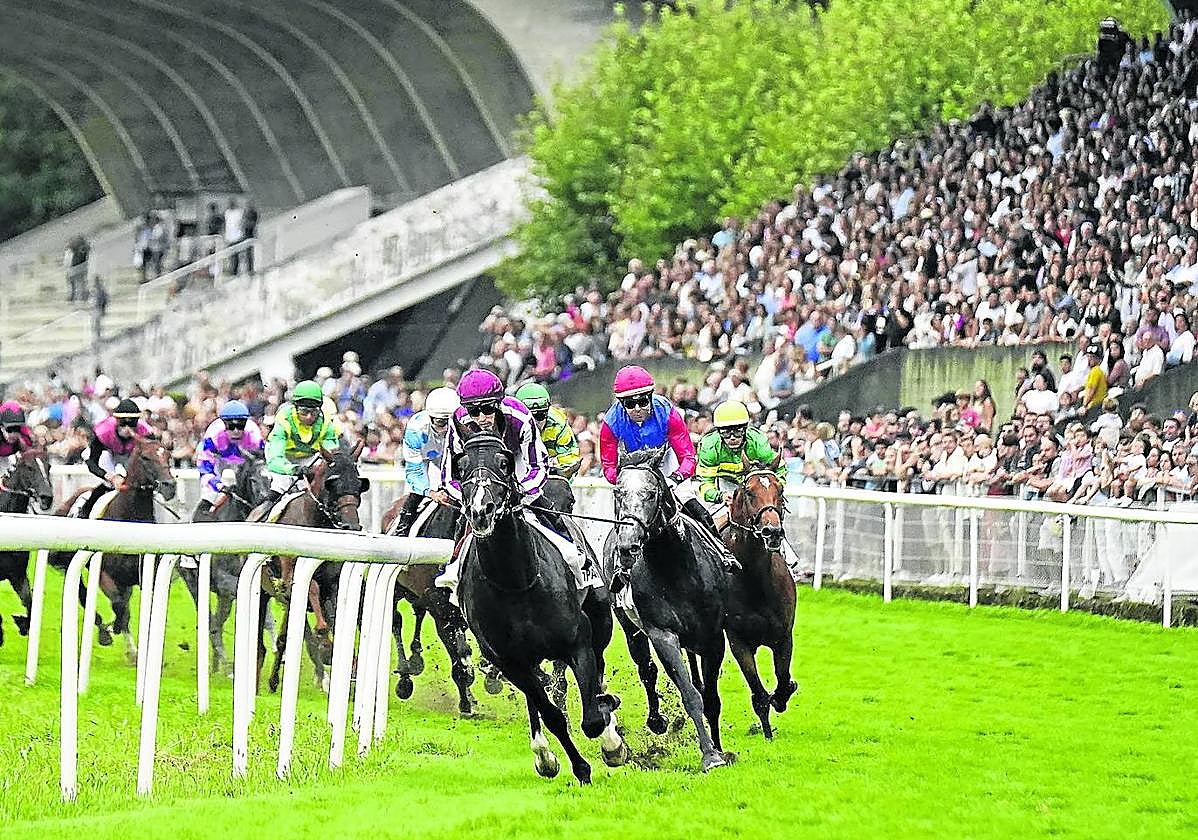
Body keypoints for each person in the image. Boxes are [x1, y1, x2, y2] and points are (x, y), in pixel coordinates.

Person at [436, 369, 591, 596]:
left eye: (488, 409)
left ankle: (576, 559)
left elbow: (538, 466)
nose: (481, 418)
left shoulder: (519, 416)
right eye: (474, 411)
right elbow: (449, 476)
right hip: (478, 473)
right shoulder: (458, 421)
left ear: (499, 404)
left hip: (515, 461)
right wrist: (470, 498)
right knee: (465, 518)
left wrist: (520, 493)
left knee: (546, 510)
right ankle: (451, 567)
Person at [598, 365, 730, 552]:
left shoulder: (667, 413)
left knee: (698, 511)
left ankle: (721, 552)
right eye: (629, 404)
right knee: (624, 516)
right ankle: (620, 567)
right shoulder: (611, 422)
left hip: (666, 464)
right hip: (633, 471)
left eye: (643, 401)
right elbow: (609, 467)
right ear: (621, 403)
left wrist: (675, 478)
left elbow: (688, 457)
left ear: (651, 396)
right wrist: (624, 480)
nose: (637, 409)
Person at [696, 400, 801, 578]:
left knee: (770, 516)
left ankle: (787, 561)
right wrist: (720, 496)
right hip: (724, 485)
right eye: (726, 433)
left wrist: (774, 490)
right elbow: (705, 484)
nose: (732, 438)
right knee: (706, 524)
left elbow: (779, 469)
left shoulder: (758, 440)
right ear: (718, 432)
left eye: (737, 431)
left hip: (755, 485)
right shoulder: (709, 446)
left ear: (745, 428)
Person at [392, 386, 459, 536]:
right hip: (426, 457)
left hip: (450, 455)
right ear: (430, 417)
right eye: (441, 423)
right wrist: (431, 492)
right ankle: (402, 528)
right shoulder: (416, 429)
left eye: (451, 422)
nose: (446, 429)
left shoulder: (464, 425)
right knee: (416, 494)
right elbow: (415, 471)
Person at [263, 380, 341, 508]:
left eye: (314, 412)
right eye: (304, 412)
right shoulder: (284, 418)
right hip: (284, 458)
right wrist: (292, 469)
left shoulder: (326, 422)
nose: (309, 417)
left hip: (310, 458)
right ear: (295, 407)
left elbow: (331, 454)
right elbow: (275, 458)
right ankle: (262, 518)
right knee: (279, 488)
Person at [78, 398, 156, 518]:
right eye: (123, 423)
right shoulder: (103, 431)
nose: (127, 428)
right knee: (108, 483)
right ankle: (85, 512)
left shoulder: (146, 433)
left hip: (131, 455)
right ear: (117, 420)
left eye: (132, 423)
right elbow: (92, 463)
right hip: (108, 453)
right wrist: (110, 477)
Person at [193, 400, 265, 522]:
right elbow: (205, 468)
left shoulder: (254, 435)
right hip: (220, 466)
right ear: (224, 424)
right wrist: (218, 485)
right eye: (231, 426)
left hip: (246, 466)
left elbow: (261, 464)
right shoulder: (213, 435)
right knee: (209, 496)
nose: (236, 431)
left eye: (240, 425)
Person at [515, 382, 581, 478]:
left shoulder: (558, 423)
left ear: (548, 411)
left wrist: (549, 464)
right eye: (530, 418)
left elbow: (570, 458)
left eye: (540, 415)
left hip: (551, 474)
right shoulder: (509, 423)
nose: (535, 423)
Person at [0, 401, 35, 473]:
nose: (13, 434)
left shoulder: (25, 435)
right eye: (9, 430)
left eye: (17, 429)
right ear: (1, 427)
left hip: (8, 458)